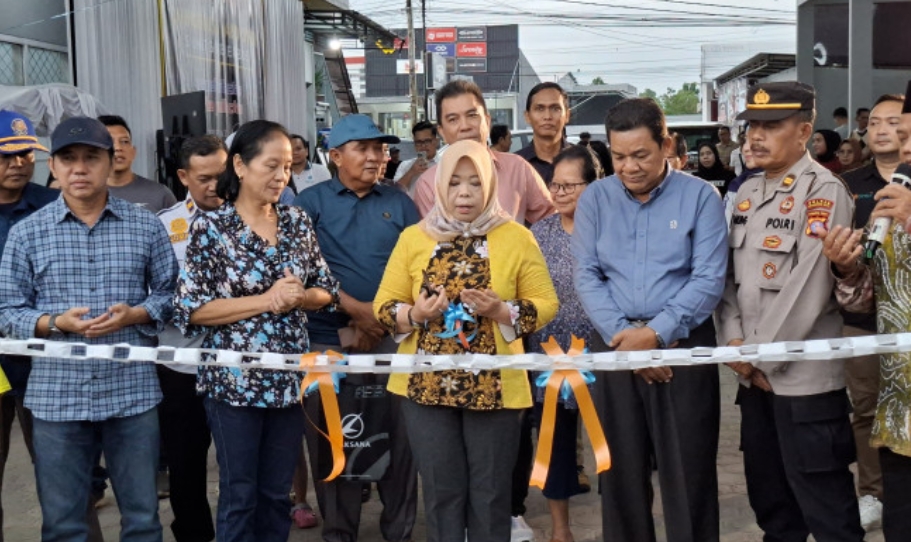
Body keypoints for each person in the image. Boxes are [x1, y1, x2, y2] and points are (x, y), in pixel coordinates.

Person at [0, 116, 179, 541]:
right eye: (68, 159)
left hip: (132, 393)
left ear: (110, 162)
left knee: (142, 520)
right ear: (54, 167)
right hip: (56, 396)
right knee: (64, 524)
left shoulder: (145, 226)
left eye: (91, 158)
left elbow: (171, 295)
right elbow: (7, 311)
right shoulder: (27, 234)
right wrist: (54, 323)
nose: (79, 168)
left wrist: (137, 314)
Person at [374, 138, 559, 542]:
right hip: (425, 387)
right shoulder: (414, 238)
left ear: (491, 185)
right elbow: (384, 305)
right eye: (454, 183)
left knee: (491, 495)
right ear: (440, 185)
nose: (464, 193)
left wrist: (502, 311)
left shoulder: (516, 237)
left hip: (496, 387)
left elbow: (546, 303)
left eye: (475, 183)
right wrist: (416, 315)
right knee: (442, 493)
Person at [173, 120, 340, 542]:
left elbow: (327, 290)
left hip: (287, 381)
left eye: (286, 166)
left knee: (276, 494)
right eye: (271, 165)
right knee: (240, 494)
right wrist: (267, 300)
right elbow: (193, 309)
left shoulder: (297, 221)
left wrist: (300, 297)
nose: (282, 176)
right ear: (240, 166)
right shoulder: (211, 228)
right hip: (234, 385)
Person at [572, 98, 728, 542]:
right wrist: (628, 341)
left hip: (682, 349)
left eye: (640, 155)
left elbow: (708, 279)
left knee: (689, 475)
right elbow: (587, 275)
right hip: (614, 346)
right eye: (619, 156)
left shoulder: (701, 197)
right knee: (619, 475)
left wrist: (656, 335)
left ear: (667, 145)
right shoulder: (595, 199)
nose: (629, 167)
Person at [716, 81, 864, 541]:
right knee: (773, 506)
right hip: (752, 378)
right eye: (752, 126)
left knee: (828, 511)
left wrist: (758, 357)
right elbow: (725, 280)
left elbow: (809, 287)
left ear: (803, 132)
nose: (755, 136)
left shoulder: (823, 192)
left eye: (771, 126)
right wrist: (734, 345)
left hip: (804, 383)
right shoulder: (745, 192)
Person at [292, 114, 420, 542]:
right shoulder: (309, 203)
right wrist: (355, 312)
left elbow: (419, 266)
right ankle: (339, 532)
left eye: (380, 149)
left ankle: (398, 530)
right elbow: (302, 270)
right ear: (335, 156)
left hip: (392, 338)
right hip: (327, 341)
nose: (375, 157)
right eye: (362, 148)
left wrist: (377, 319)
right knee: (334, 438)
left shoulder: (399, 202)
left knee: (399, 438)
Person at [823, 83, 911, 542]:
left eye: (905, 132)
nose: (904, 148)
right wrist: (846, 267)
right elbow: (862, 294)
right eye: (903, 137)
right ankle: (873, 494)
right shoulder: (880, 200)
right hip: (899, 406)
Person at [527, 145, 602, 542]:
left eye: (569, 185)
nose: (559, 193)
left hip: (602, 353)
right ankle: (561, 529)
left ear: (594, 185)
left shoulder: (611, 231)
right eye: (554, 185)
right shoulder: (538, 234)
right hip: (550, 356)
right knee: (554, 445)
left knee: (611, 443)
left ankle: (620, 521)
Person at [156, 135, 228, 542]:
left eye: (221, 175)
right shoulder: (164, 227)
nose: (215, 186)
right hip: (181, 367)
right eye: (204, 178)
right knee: (185, 466)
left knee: (238, 464)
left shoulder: (250, 219)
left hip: (238, 364)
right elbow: (153, 294)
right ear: (183, 176)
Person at [0, 109, 57, 541]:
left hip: (46, 358)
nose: (19, 163)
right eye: (7, 155)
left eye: (26, 154)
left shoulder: (52, 206)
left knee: (62, 476)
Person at [412, 80, 555, 224]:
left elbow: (551, 221)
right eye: (453, 119)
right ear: (442, 132)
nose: (465, 126)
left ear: (487, 121)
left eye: (472, 115)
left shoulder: (517, 168)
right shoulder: (428, 183)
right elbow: (429, 234)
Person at [98, 115, 178, 212]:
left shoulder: (160, 195)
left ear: (134, 152)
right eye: (110, 142)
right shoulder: (87, 196)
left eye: (124, 142)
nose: (118, 148)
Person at [516, 83, 572, 183]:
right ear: (527, 116)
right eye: (540, 109)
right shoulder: (515, 165)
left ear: (567, 115)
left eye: (555, 109)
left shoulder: (584, 161)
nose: (547, 116)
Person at [394, 121, 440, 196]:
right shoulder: (405, 165)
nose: (423, 146)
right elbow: (395, 192)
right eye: (419, 142)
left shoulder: (444, 164)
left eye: (427, 141)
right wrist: (411, 172)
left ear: (436, 141)